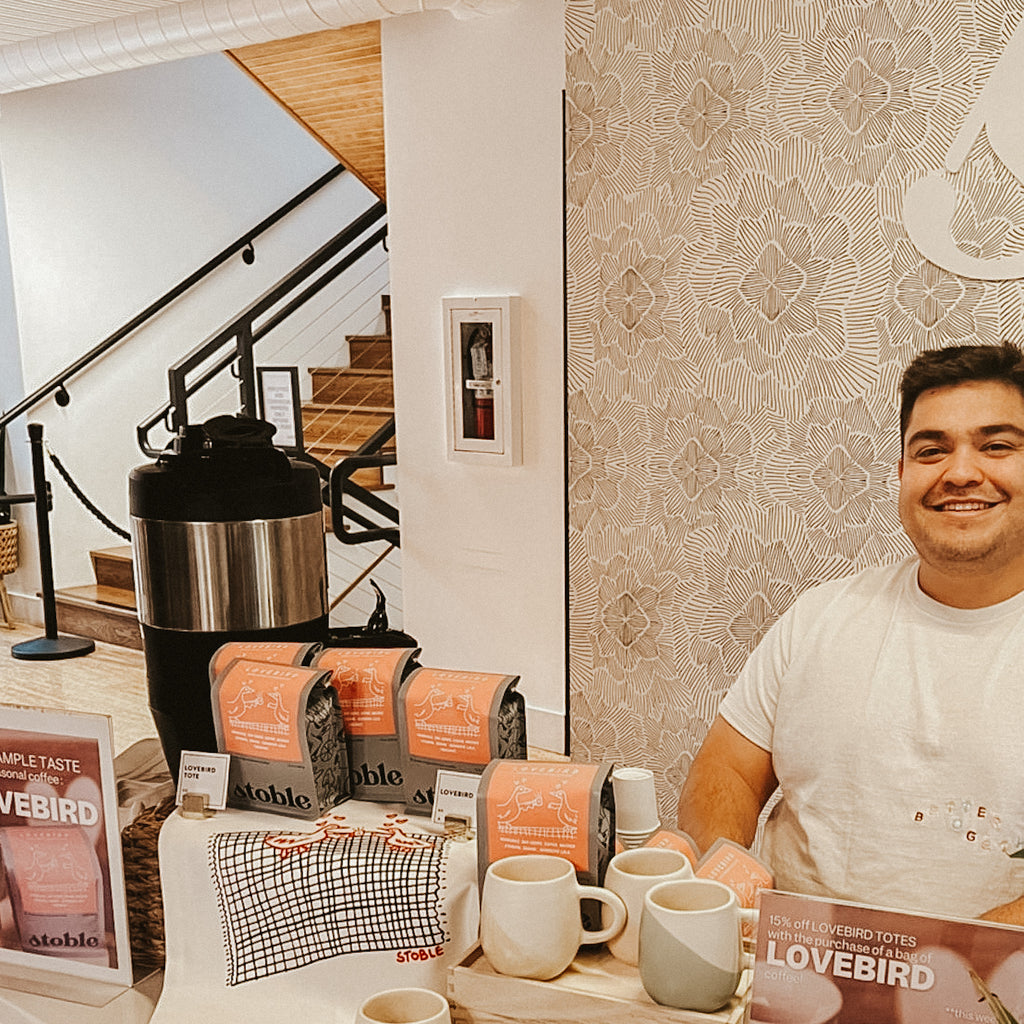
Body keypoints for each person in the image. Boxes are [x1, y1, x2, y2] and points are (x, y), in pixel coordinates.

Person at [677, 341, 1024, 924]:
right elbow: (726, 770)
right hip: (789, 980)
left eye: (996, 446)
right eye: (931, 450)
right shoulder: (821, 617)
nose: (960, 473)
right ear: (902, 474)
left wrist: (969, 960)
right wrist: (730, 870)